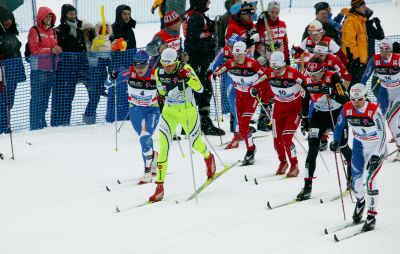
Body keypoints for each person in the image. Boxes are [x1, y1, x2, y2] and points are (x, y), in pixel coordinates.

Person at [149, 48, 216, 202]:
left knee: (196, 143)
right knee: (164, 148)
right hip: (169, 112)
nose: (167, 68)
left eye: (170, 65)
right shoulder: (158, 73)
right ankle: (159, 187)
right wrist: (161, 96)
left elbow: (199, 89)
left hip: (188, 111)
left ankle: (208, 156)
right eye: (164, 65)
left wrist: (188, 78)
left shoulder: (185, 68)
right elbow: (162, 92)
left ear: (176, 62)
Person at [331, 83, 386, 231]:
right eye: (353, 99)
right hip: (359, 147)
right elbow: (339, 125)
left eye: (359, 99)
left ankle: (371, 215)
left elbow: (382, 134)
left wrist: (376, 155)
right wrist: (335, 140)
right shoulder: (347, 107)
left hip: (375, 147)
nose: (356, 102)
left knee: (370, 181)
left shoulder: (374, 110)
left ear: (365, 97)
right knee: (356, 183)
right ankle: (360, 202)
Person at [297, 57, 352, 201]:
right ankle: (307, 186)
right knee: (312, 148)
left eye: (316, 74)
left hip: (335, 114)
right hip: (318, 116)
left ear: (323, 71)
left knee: (343, 146)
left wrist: (332, 92)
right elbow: (304, 98)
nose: (313, 77)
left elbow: (345, 98)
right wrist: (304, 118)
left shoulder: (333, 77)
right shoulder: (307, 79)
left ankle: (352, 178)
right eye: (310, 73)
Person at [107, 50, 160, 184]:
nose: (140, 69)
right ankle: (153, 157)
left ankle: (147, 171)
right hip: (135, 110)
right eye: (137, 65)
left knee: (145, 136)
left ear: (148, 64)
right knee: (144, 138)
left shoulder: (155, 74)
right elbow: (107, 84)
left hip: (152, 110)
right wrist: (112, 77)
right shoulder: (128, 73)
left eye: (143, 66)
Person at [254, 51, 306, 177]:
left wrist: (306, 109)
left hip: (294, 110)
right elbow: (257, 84)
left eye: (278, 68)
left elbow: (307, 86)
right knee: (277, 141)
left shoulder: (293, 74)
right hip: (278, 109)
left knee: (287, 139)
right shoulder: (269, 72)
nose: (276, 71)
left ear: (284, 64)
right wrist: (254, 90)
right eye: (273, 68)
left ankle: (294, 164)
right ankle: (283, 162)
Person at [214, 41, 265, 165]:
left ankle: (250, 151)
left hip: (251, 97)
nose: (237, 58)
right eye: (235, 55)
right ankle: (251, 148)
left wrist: (258, 89)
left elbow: (265, 75)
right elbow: (223, 68)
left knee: (243, 123)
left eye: (240, 55)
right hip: (240, 96)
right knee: (242, 128)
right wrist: (216, 74)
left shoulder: (252, 64)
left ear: (245, 53)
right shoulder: (231, 62)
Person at [183, 0, 225, 136]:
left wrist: (211, 27)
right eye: (207, 0)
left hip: (201, 61)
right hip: (198, 61)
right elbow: (191, 41)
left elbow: (201, 34)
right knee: (201, 91)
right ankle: (197, 124)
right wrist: (210, 45)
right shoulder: (196, 17)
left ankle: (195, 123)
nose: (210, 2)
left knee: (202, 90)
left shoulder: (197, 15)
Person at [360, 38, 400, 161]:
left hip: (398, 92)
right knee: (378, 120)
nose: (383, 52)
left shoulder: (397, 59)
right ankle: (382, 149)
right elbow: (365, 76)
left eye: (386, 50)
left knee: (391, 121)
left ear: (391, 50)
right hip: (384, 92)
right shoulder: (375, 60)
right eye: (381, 49)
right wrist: (359, 90)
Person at [255, 0, 289, 132]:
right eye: (272, 12)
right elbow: (255, 39)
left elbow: (285, 43)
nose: (274, 14)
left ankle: (276, 117)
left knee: (278, 88)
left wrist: (286, 60)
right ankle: (264, 119)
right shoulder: (263, 24)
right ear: (268, 12)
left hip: (279, 63)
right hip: (266, 62)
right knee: (266, 89)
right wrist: (258, 56)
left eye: (276, 12)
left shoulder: (282, 25)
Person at [52, 4, 87, 127]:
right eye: (70, 13)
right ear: (65, 14)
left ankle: (66, 121)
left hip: (75, 67)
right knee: (60, 95)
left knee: (69, 95)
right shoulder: (59, 30)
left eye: (74, 13)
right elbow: (57, 46)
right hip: (62, 68)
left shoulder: (79, 29)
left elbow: (83, 47)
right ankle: (57, 121)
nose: (73, 15)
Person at [28, 7, 62, 131]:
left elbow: (54, 47)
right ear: (41, 17)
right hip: (38, 69)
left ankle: (41, 122)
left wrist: (58, 49)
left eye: (50, 17)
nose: (49, 19)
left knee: (45, 99)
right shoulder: (34, 30)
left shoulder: (53, 31)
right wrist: (50, 50)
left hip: (50, 69)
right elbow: (34, 49)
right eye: (46, 16)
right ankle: (35, 125)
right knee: (37, 98)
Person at [208, 34, 243, 144]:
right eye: (230, 45)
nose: (231, 48)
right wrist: (210, 71)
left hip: (243, 82)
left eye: (233, 46)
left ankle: (241, 129)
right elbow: (215, 63)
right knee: (233, 105)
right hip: (230, 80)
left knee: (241, 107)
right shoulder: (225, 50)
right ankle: (237, 131)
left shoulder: (243, 52)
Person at [0, 5, 26, 134]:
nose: (8, 22)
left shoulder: (11, 33)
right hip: (3, 72)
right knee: (2, 100)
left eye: (10, 19)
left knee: (10, 100)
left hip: (14, 71)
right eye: (5, 19)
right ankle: (2, 126)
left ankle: (6, 124)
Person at [83, 21, 113, 124]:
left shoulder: (106, 40)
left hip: (102, 69)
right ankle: (89, 117)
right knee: (94, 95)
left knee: (95, 96)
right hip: (92, 70)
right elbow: (91, 54)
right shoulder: (93, 41)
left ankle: (90, 117)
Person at [342, 0, 372, 85]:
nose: (365, 8)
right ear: (357, 7)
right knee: (352, 86)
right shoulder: (351, 21)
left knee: (358, 87)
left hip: (361, 61)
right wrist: (355, 59)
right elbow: (349, 43)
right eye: (363, 6)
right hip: (354, 62)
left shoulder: (360, 20)